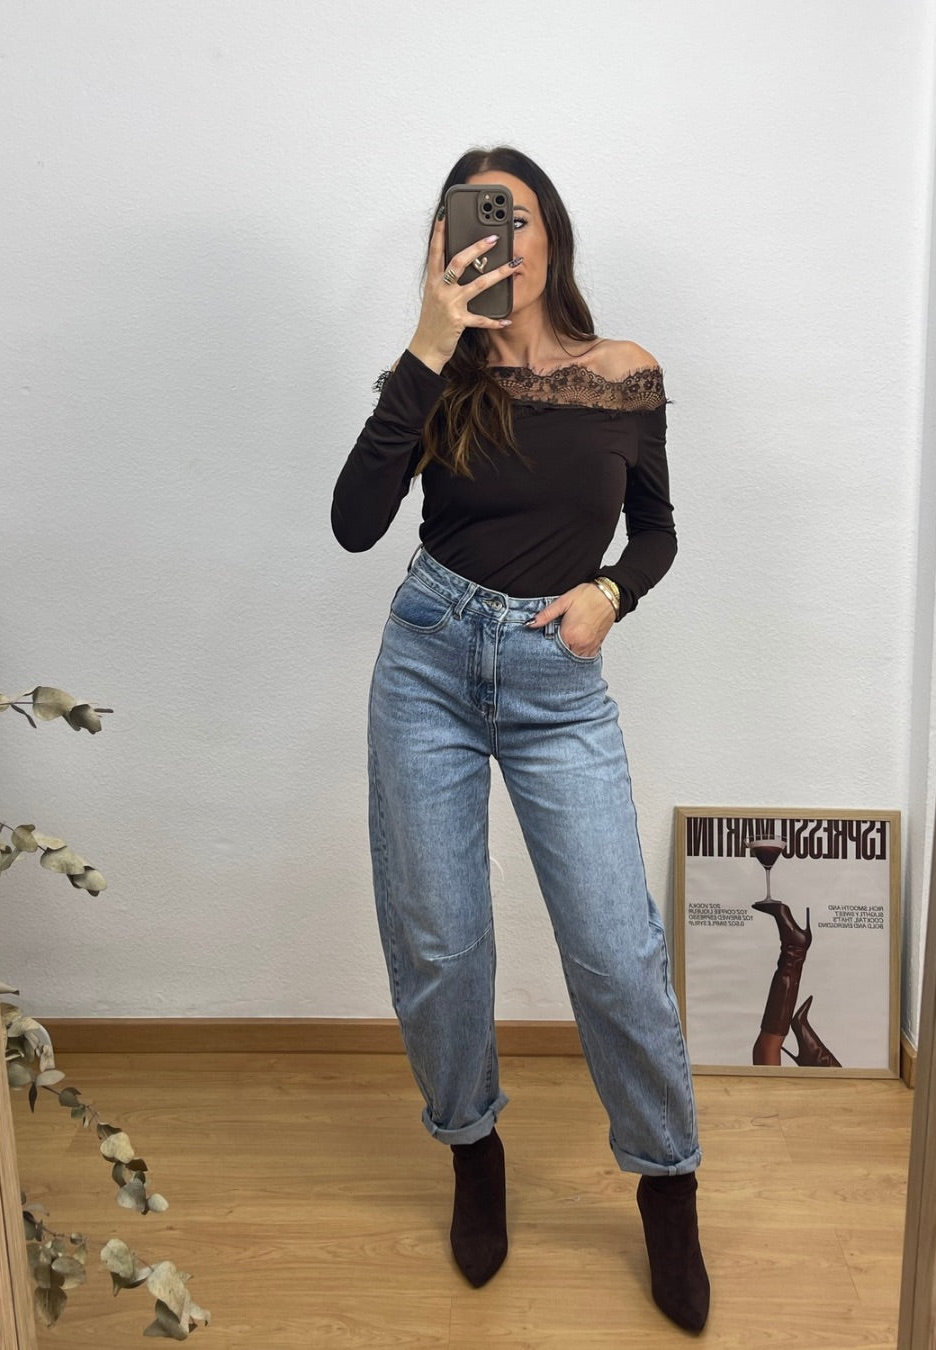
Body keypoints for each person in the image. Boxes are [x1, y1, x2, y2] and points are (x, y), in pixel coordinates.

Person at [331, 146, 709, 1334]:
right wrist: (428, 340)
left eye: (523, 216)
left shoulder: (626, 371)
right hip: (430, 663)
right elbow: (354, 525)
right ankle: (473, 1151)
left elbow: (657, 531)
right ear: (449, 244)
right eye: (480, 222)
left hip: (558, 680)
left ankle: (667, 1185)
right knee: (439, 942)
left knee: (614, 951)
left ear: (555, 235)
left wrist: (612, 592)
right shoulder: (437, 376)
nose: (505, 241)